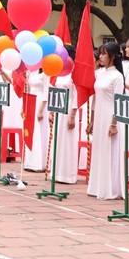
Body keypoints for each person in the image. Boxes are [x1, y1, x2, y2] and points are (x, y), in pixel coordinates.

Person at [86, 42, 124, 200]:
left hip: (110, 116)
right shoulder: (99, 73)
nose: (100, 57)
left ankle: (110, 189)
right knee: (99, 150)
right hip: (99, 115)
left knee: (109, 151)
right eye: (100, 53)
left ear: (112, 56)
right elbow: (95, 98)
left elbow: (118, 100)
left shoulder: (117, 76)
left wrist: (114, 123)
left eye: (103, 54)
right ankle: (96, 186)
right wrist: (91, 120)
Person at [49, 45, 79, 184]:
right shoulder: (60, 72)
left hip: (68, 110)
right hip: (58, 110)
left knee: (67, 141)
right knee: (57, 140)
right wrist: (51, 111)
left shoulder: (74, 73)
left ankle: (68, 175)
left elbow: (76, 96)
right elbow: (54, 92)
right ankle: (55, 172)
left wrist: (72, 115)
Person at [24, 68, 49, 172]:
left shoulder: (46, 73)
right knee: (30, 131)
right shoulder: (32, 72)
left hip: (40, 102)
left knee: (39, 132)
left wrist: (41, 110)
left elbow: (46, 91)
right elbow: (28, 90)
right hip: (31, 102)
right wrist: (24, 106)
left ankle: (39, 163)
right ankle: (30, 162)